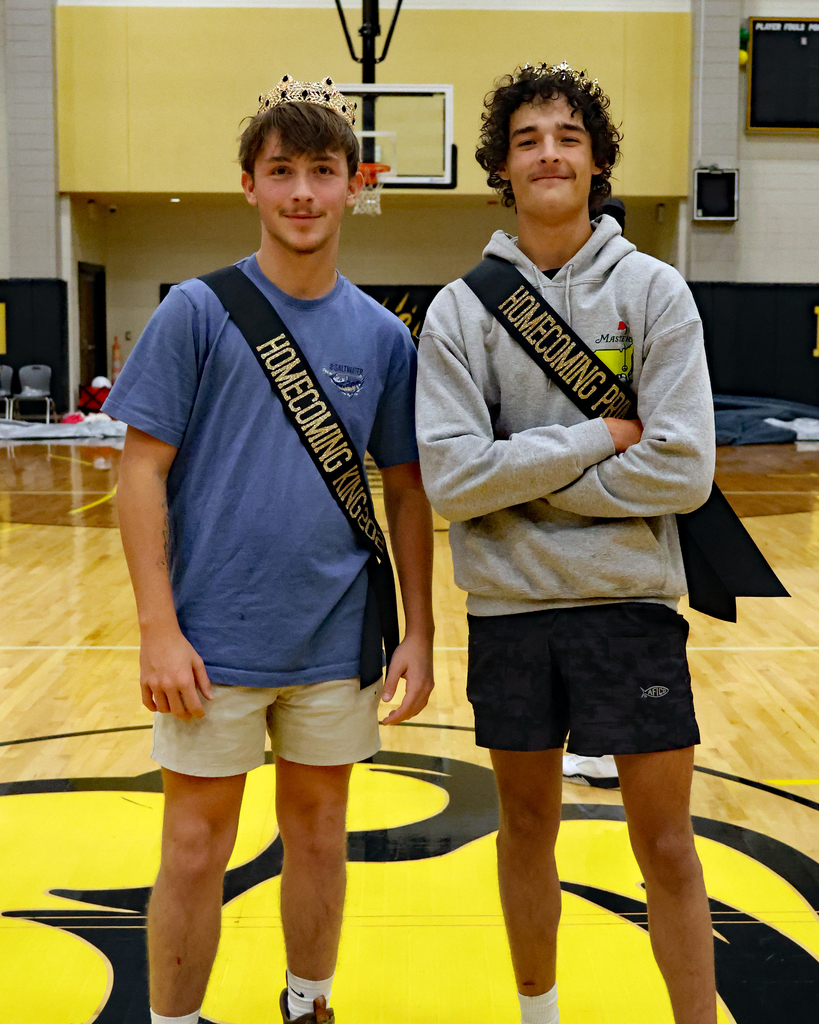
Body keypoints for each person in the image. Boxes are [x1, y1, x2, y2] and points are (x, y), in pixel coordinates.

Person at [105, 76, 435, 1024]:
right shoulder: (196, 313)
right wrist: (157, 629)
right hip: (210, 639)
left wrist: (417, 634)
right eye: (280, 171)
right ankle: (175, 1019)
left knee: (321, 835)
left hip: (336, 641)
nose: (301, 192)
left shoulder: (382, 338)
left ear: (353, 186)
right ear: (247, 185)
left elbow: (408, 496)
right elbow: (140, 475)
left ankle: (307, 1002)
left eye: (321, 172)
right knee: (195, 846)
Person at [416, 62, 717, 1024]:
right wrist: (595, 440)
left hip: (628, 607)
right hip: (510, 613)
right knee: (525, 832)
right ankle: (538, 1016)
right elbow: (454, 480)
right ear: (502, 167)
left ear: (595, 161)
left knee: (665, 844)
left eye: (567, 137)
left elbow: (683, 473)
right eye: (527, 139)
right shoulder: (463, 309)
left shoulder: (656, 290)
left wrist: (524, 484)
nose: (548, 152)